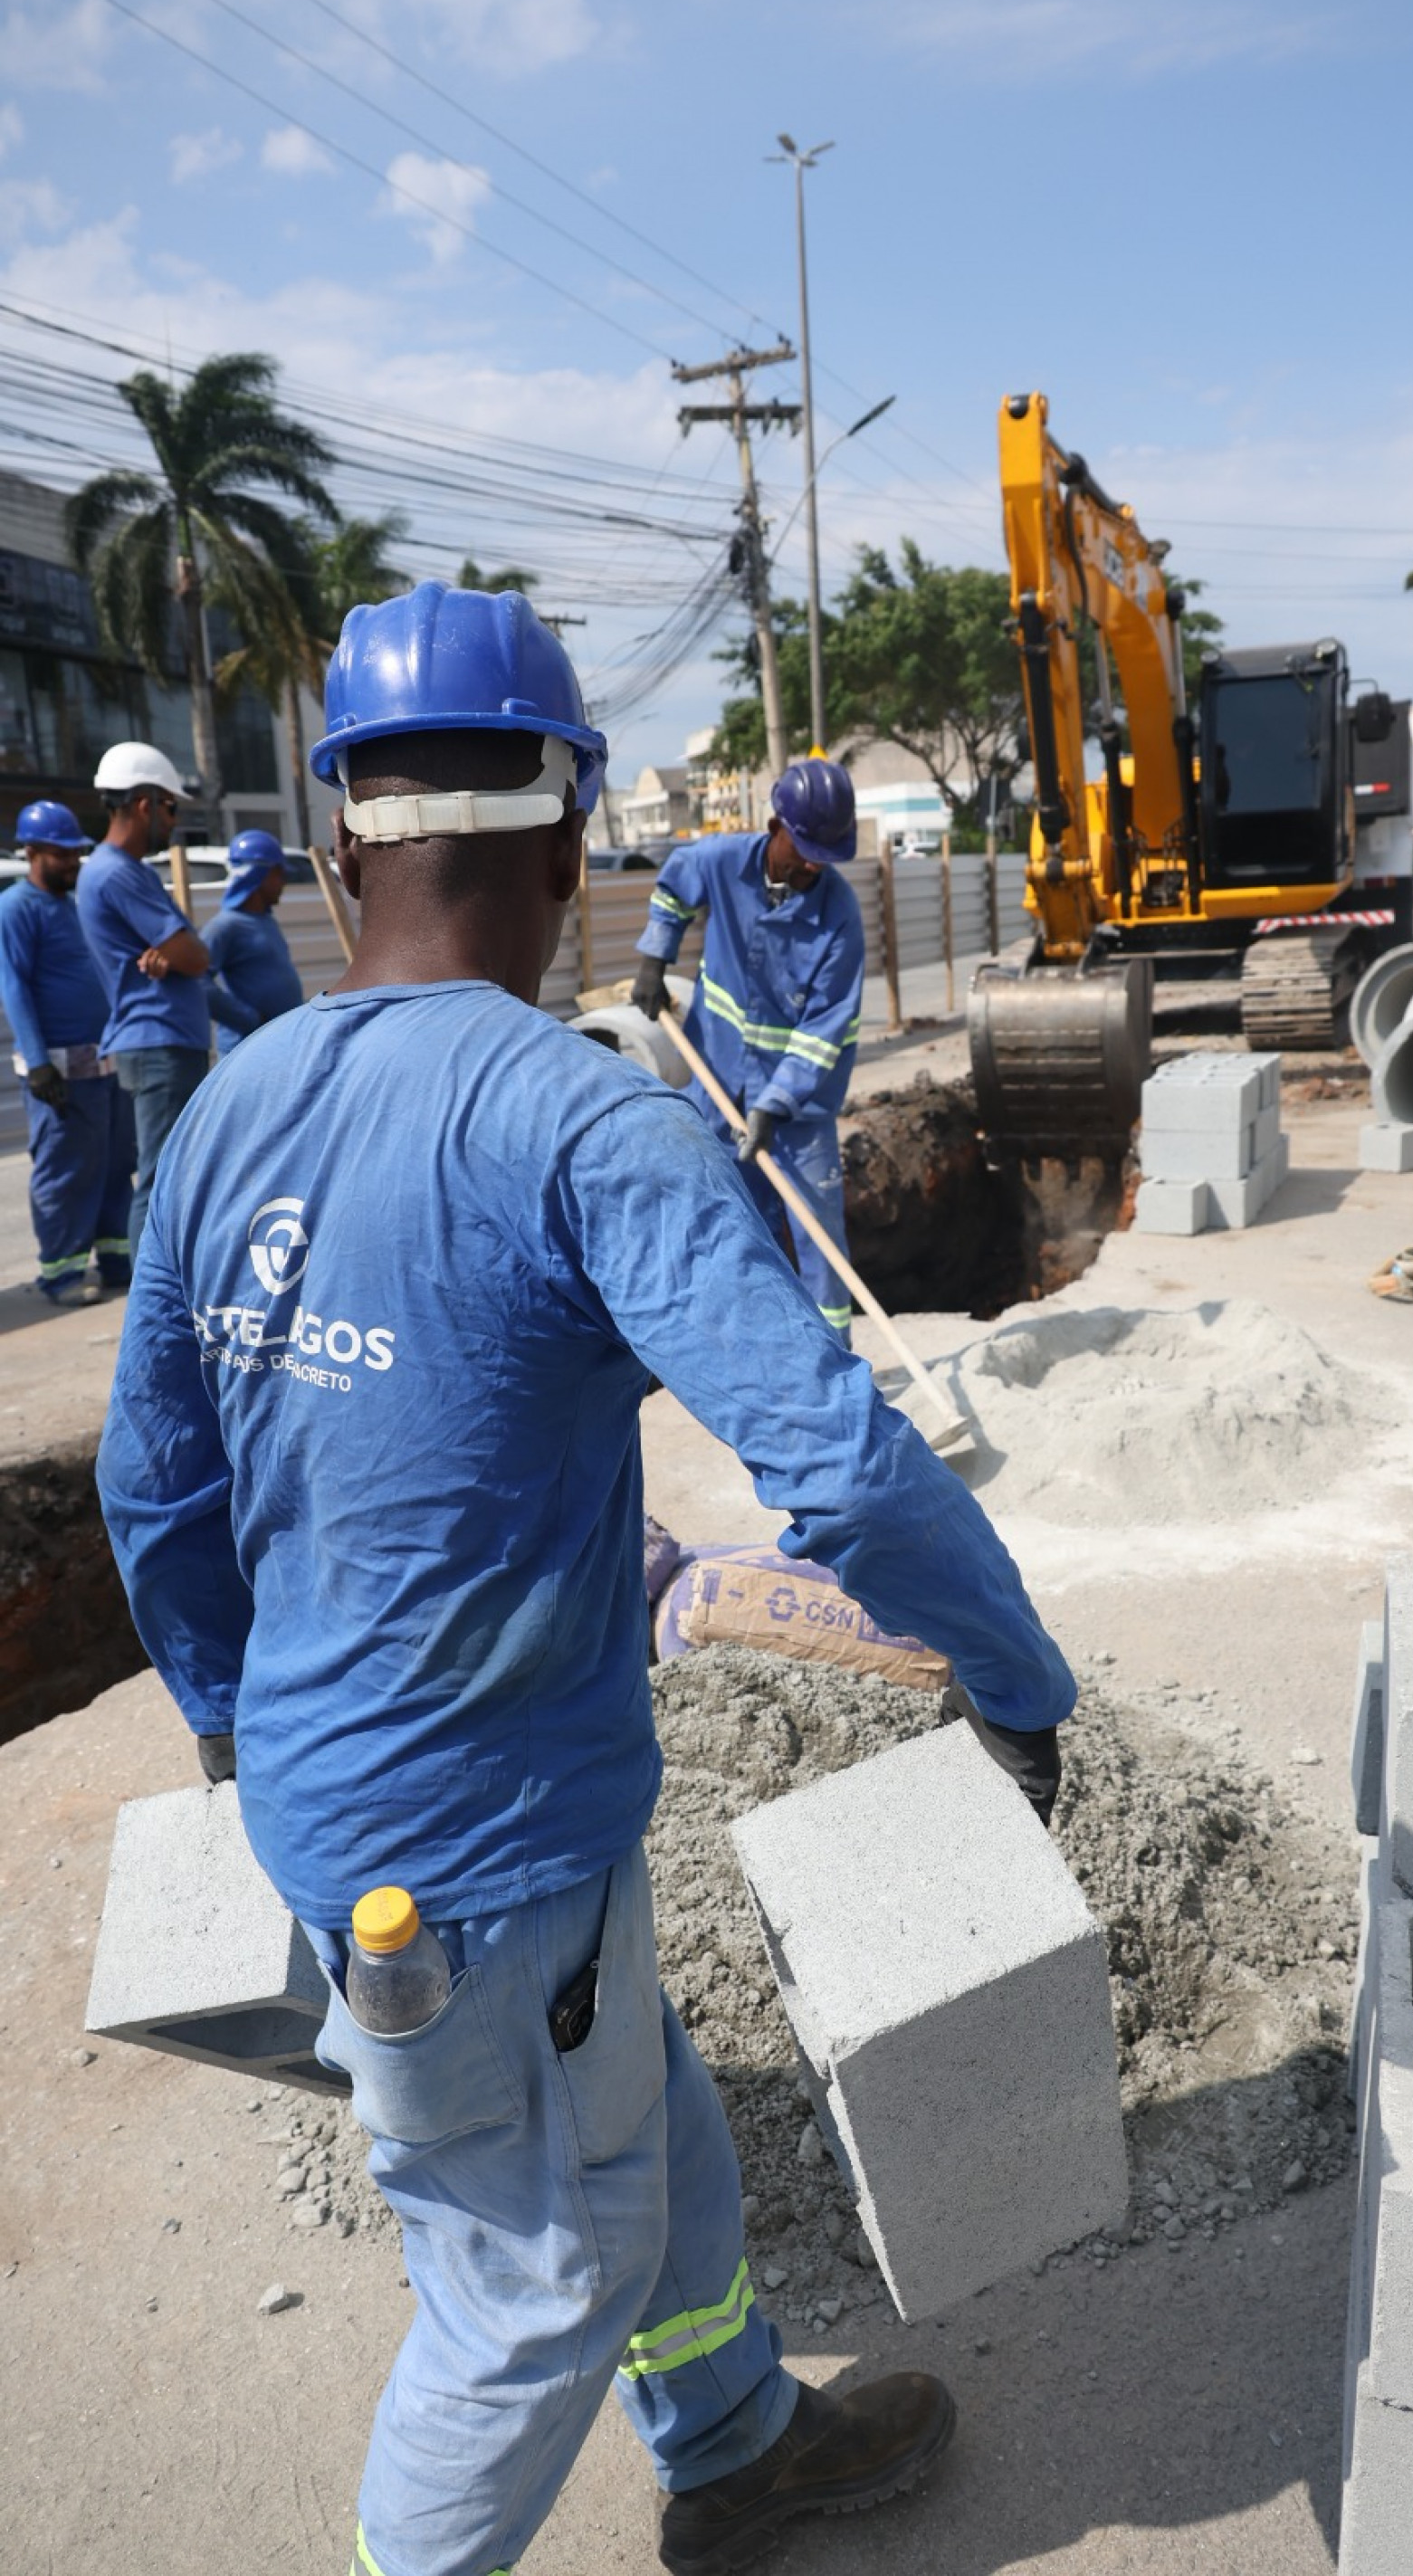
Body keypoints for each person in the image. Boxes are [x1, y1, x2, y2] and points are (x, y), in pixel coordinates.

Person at [97, 582, 1073, 2576]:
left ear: (344, 831)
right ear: (568, 846)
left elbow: (153, 1495)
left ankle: (730, 2439)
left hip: (376, 1806)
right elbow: (847, 1471)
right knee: (530, 2280)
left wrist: (230, 1730)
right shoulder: (577, 1122)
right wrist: (1016, 1681)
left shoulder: (221, 1118)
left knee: (647, 2121)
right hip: (471, 1855)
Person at [632, 763, 864, 1338]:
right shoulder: (720, 859)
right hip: (719, 1082)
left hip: (798, 1106)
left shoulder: (840, 917)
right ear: (772, 827)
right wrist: (655, 960)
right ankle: (751, 1347)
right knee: (728, 1221)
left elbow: (824, 1030)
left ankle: (833, 1366)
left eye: (825, 855)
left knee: (816, 1237)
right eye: (805, 849)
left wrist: (774, 1105)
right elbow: (672, 889)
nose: (813, 865)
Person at [75, 739, 208, 1259]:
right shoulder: (118, 872)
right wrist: (178, 949)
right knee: (161, 1181)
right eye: (172, 807)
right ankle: (152, 1315)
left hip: (160, 1042)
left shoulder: (122, 870)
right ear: (146, 803)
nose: (174, 822)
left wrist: (177, 950)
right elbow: (196, 955)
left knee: (171, 1176)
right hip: (158, 1044)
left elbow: (190, 953)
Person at [0, 799, 135, 1301]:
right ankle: (62, 1273)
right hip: (57, 1072)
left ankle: (117, 1260)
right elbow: (12, 984)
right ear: (32, 852)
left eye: (76, 854)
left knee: (116, 1161)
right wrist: (36, 1062)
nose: (73, 863)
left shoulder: (72, 906)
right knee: (67, 1172)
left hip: (103, 1062)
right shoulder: (16, 907)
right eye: (62, 855)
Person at [201, 826, 304, 1055]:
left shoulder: (266, 921)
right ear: (261, 874)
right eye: (280, 873)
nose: (284, 881)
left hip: (278, 1047)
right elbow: (198, 981)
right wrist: (247, 1019)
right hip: (245, 1051)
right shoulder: (224, 926)